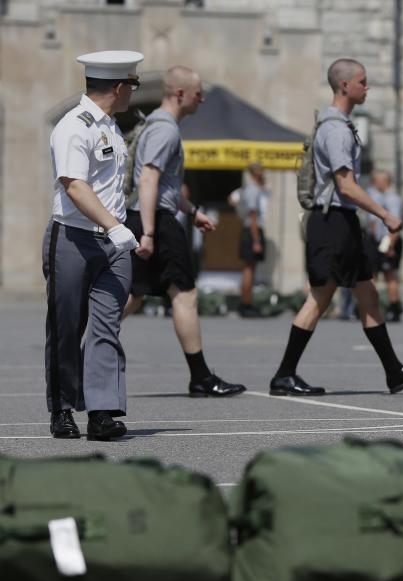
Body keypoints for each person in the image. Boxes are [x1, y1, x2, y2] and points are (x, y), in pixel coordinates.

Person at [269, 59, 403, 395]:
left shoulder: (340, 125)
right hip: (332, 220)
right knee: (319, 298)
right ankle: (284, 374)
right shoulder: (334, 129)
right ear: (344, 86)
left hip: (343, 221)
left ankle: (394, 371)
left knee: (368, 294)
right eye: (362, 81)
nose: (367, 86)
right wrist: (384, 214)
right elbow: (346, 186)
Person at [123, 66, 246, 399]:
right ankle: (201, 377)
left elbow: (162, 184)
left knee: (133, 294)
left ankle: (82, 351)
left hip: (150, 217)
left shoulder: (154, 125)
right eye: (197, 93)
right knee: (185, 295)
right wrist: (149, 232)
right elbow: (148, 179)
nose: (202, 99)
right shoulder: (165, 130)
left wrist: (192, 212)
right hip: (156, 221)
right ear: (180, 94)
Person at [44, 50, 143, 440]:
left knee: (106, 327)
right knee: (67, 326)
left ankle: (101, 412)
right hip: (73, 237)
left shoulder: (112, 127)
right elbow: (75, 184)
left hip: (113, 244)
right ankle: (62, 409)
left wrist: (122, 230)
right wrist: (114, 226)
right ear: (119, 88)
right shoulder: (75, 126)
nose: (132, 93)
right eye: (130, 87)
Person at [364, 169, 403, 322]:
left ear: (385, 181)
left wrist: (390, 246)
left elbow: (394, 226)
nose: (374, 183)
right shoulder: (378, 197)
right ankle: (372, 305)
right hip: (378, 241)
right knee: (373, 274)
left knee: (389, 275)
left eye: (377, 180)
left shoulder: (392, 199)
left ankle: (394, 308)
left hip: (386, 241)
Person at [238, 161, 269, 318]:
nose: (262, 172)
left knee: (252, 268)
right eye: (259, 170)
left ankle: (248, 302)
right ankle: (246, 304)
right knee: (249, 269)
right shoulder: (252, 190)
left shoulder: (257, 189)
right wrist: (256, 240)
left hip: (254, 230)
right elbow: (253, 215)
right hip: (252, 231)